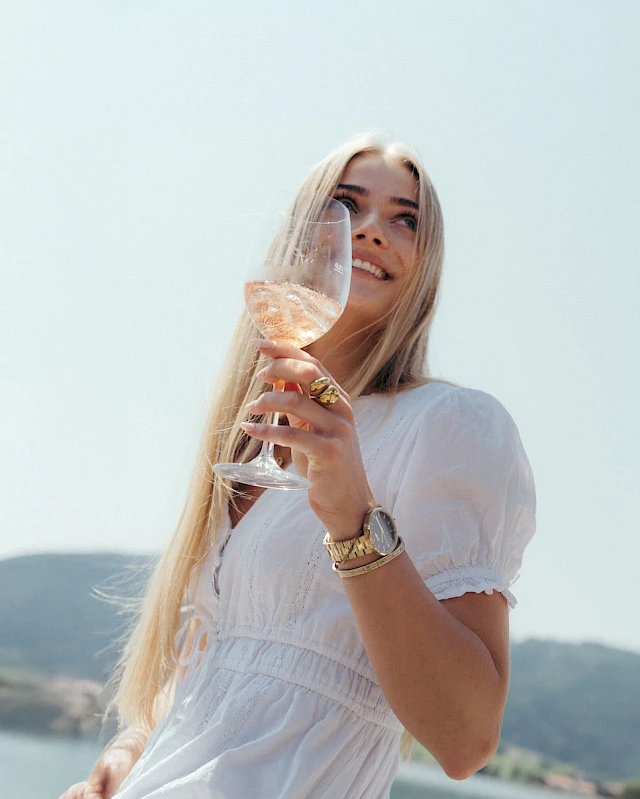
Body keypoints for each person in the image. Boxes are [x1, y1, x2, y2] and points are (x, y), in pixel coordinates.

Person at [60, 133, 536, 799]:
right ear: (294, 237)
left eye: (407, 219)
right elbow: (228, 661)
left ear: (425, 266)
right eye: (344, 205)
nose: (372, 231)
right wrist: (131, 749)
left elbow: (465, 740)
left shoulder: (450, 426)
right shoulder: (249, 445)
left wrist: (352, 518)